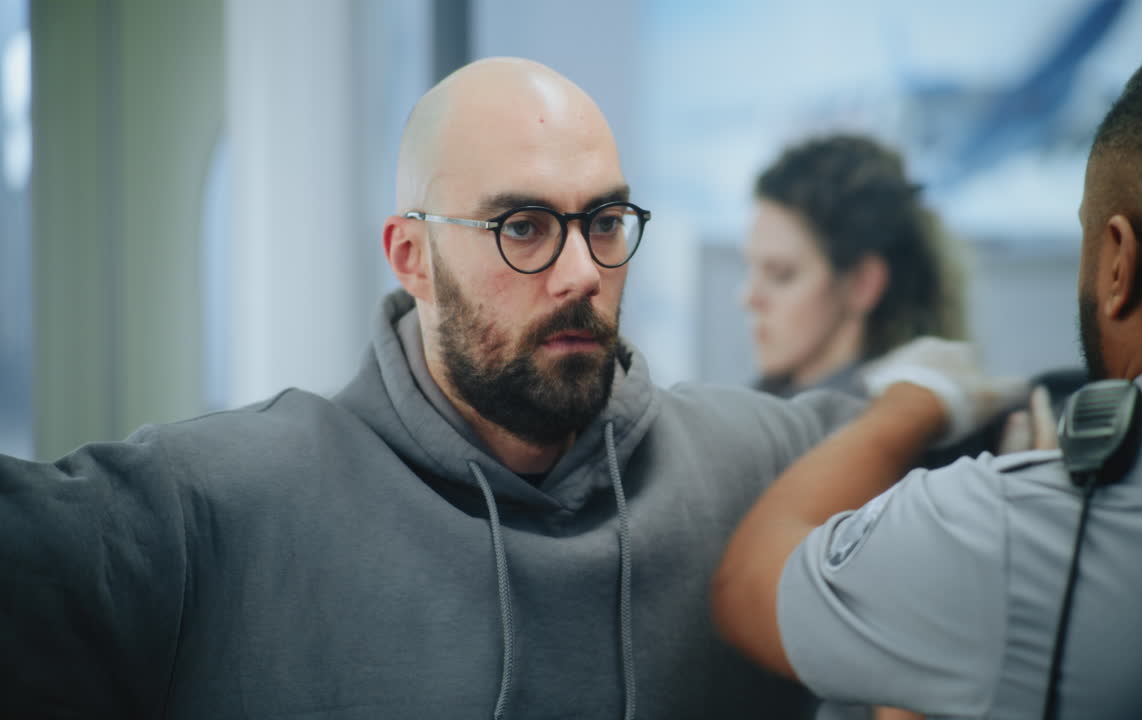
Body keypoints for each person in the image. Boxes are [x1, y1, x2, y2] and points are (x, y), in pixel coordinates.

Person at [0, 57, 1020, 719]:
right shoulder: (212, 507)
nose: (580, 270)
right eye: (520, 227)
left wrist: (936, 395)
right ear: (409, 257)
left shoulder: (740, 465)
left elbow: (961, 447)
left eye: (605, 222)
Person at [712, 30, 1142, 719]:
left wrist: (913, 412)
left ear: (1117, 263)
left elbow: (751, 585)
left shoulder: (1005, 515)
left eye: (780, 273)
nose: (749, 297)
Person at [743, 134, 968, 399]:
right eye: (752, 268)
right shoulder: (766, 405)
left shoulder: (883, 425)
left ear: (861, 283)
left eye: (781, 275)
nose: (749, 298)